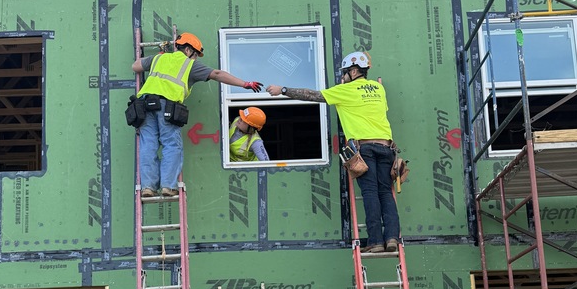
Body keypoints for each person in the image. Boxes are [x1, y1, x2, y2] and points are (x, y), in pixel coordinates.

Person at [266, 52, 400, 252]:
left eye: (345, 73)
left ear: (353, 71)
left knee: (370, 193)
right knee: (385, 193)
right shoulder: (379, 89)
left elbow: (312, 95)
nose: (342, 77)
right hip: (387, 148)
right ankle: (392, 238)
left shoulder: (345, 90)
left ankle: (376, 242)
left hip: (365, 149)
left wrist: (283, 90)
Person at [132, 32, 262, 198]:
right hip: (166, 106)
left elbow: (135, 66)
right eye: (195, 55)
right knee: (171, 145)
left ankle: (148, 187)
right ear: (188, 50)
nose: (195, 59)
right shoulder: (189, 65)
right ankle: (168, 186)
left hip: (144, 106)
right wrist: (245, 84)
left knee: (148, 145)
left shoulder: (158, 59)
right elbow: (217, 74)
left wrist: (158, 58)